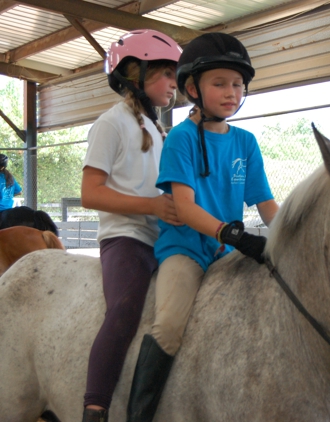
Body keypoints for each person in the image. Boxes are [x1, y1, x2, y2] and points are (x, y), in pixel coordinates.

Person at [126, 32, 279, 422]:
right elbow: (184, 207)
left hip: (229, 253)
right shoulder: (180, 138)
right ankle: (139, 414)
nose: (231, 92)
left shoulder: (246, 142)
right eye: (220, 83)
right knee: (170, 325)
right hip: (187, 251)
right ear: (193, 87)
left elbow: (266, 205)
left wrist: (286, 238)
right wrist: (232, 234)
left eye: (237, 84)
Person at [80, 29, 182, 422]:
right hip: (126, 239)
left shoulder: (159, 131)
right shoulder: (111, 124)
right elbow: (90, 193)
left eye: (175, 76)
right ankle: (95, 406)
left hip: (161, 239)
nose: (174, 84)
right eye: (165, 74)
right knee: (124, 309)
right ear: (134, 73)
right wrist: (151, 206)